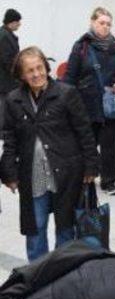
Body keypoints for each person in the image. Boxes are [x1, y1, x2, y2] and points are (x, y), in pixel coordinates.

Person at [1, 47, 99, 261]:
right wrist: (8, 173)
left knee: (66, 228)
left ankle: (62, 275)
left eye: (39, 68)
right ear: (21, 75)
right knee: (35, 230)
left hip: (67, 173)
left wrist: (91, 165)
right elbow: (9, 139)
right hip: (33, 175)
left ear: (46, 67)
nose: (36, 74)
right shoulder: (13, 100)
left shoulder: (66, 93)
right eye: (30, 71)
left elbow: (84, 131)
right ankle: (36, 279)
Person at [65, 7, 115, 196]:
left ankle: (109, 181)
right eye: (101, 23)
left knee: (111, 146)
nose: (105, 27)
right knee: (86, 144)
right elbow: (69, 77)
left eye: (108, 24)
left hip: (112, 105)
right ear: (92, 22)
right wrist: (65, 103)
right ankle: (87, 174)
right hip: (87, 105)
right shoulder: (81, 47)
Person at [0, 8, 21, 133]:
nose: (19, 24)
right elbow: (7, 60)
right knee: (4, 105)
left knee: (5, 104)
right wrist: (17, 74)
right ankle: (3, 131)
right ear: (11, 22)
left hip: (6, 78)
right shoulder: (5, 36)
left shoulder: (6, 34)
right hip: (5, 79)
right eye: (18, 21)